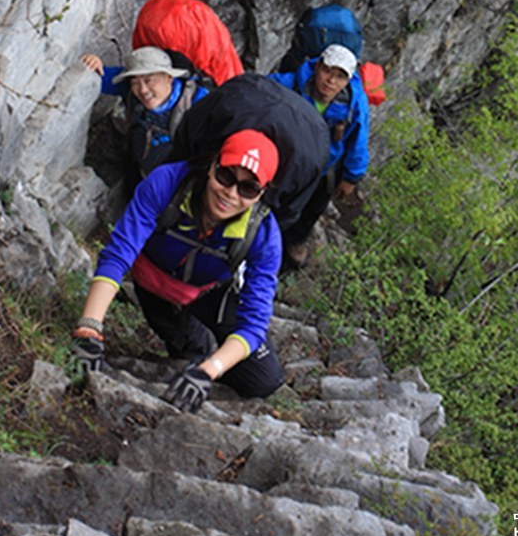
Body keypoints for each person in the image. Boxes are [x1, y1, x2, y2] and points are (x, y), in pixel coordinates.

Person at [70, 129, 285, 411]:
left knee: (263, 378)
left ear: (261, 194)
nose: (231, 193)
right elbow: (119, 253)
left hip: (210, 294)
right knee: (187, 354)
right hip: (154, 284)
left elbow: (255, 322)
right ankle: (189, 343)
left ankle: (204, 356)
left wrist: (209, 370)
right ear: (212, 166)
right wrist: (89, 328)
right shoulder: (168, 183)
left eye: (247, 188)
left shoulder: (263, 234)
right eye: (226, 176)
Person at [270, 44, 369, 267]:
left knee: (313, 206)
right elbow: (263, 90)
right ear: (317, 67)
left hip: (323, 167)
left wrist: (351, 177)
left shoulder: (354, 104)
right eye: (327, 71)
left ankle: (295, 240)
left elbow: (359, 141)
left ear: (347, 80)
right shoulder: (292, 84)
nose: (330, 81)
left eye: (339, 77)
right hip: (285, 159)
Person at [81, 46, 209, 188]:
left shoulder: (199, 102)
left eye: (149, 80)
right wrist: (92, 62)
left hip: (181, 182)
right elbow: (98, 76)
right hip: (144, 172)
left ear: (169, 78)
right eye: (135, 82)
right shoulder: (129, 88)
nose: (142, 90)